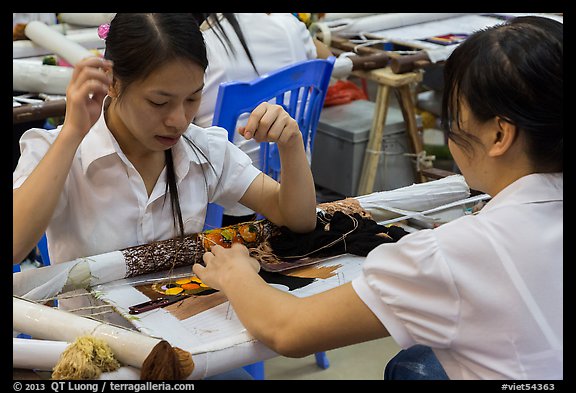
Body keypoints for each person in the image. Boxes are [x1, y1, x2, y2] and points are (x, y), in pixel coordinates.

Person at [192, 15, 563, 380]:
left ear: (500, 136)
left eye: (454, 117)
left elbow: (289, 329)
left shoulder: (459, 252)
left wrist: (238, 275)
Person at [192, 13, 333, 225]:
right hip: (291, 184)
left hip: (229, 206)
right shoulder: (289, 26)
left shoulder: (201, 45)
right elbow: (326, 56)